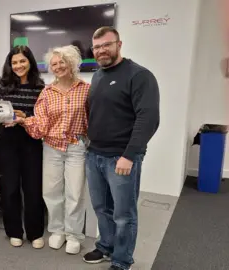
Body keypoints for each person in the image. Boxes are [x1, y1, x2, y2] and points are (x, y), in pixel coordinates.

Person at [82, 26, 160, 270]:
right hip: (95, 154)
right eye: (97, 47)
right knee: (101, 208)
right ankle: (106, 245)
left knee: (124, 215)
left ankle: (122, 260)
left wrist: (129, 155)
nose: (101, 50)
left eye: (106, 44)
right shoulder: (97, 75)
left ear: (119, 44)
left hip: (121, 158)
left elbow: (148, 119)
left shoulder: (139, 75)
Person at [13, 45, 90, 254]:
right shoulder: (47, 92)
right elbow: (41, 123)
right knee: (52, 192)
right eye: (54, 64)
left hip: (76, 147)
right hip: (52, 147)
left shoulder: (86, 89)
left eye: (62, 62)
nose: (57, 67)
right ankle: (58, 231)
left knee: (74, 192)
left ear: (72, 63)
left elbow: (93, 119)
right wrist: (22, 120)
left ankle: (73, 234)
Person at [0, 45, 46, 249]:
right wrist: (9, 114)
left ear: (30, 62)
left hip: (31, 140)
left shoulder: (40, 88)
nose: (18, 65)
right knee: (10, 188)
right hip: (8, 140)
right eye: (14, 62)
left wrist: (23, 116)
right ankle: (14, 231)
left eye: (22, 61)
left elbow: (43, 118)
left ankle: (35, 232)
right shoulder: (3, 86)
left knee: (33, 188)